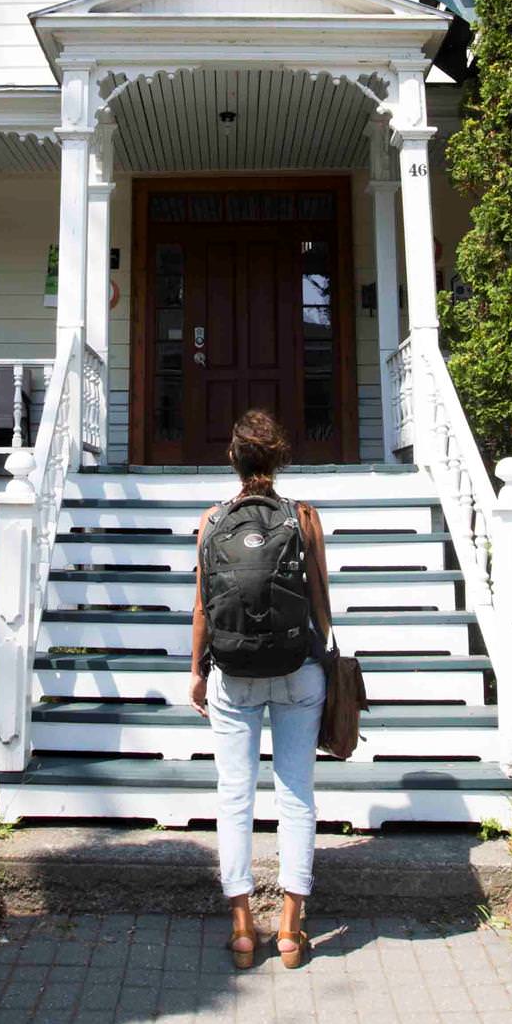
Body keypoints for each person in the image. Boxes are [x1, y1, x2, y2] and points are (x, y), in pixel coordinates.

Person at [189, 408, 333, 969]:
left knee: (235, 796)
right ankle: (293, 929)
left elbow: (203, 607)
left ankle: (244, 926)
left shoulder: (211, 520)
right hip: (298, 669)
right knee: (296, 795)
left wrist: (197, 670)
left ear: (234, 458)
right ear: (279, 459)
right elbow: (321, 602)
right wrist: (331, 655)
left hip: (233, 674)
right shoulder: (303, 518)